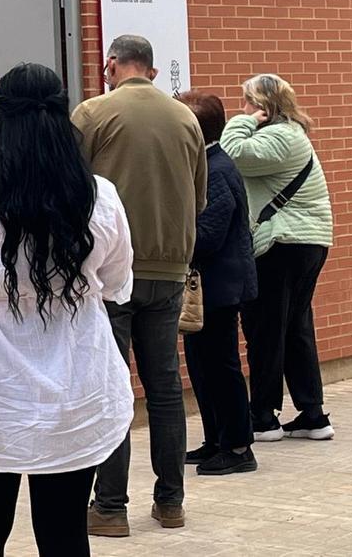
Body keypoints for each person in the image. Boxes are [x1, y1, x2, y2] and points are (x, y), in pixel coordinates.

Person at [0, 63, 134, 557]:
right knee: (64, 537)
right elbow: (118, 284)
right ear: (63, 115)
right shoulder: (99, 196)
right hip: (75, 386)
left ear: (0, 121)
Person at [71, 35, 206, 537]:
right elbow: (199, 197)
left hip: (109, 272)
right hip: (170, 267)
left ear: (111, 64)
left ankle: (110, 507)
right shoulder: (185, 117)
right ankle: (171, 503)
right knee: (166, 387)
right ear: (150, 69)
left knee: (114, 390)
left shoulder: (92, 113)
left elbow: (72, 189)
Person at [220, 73, 334, 443]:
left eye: (247, 102)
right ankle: (311, 413)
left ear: (264, 106)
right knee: (295, 327)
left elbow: (232, 153)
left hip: (282, 242)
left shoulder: (279, 136)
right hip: (305, 241)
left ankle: (264, 416)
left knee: (265, 329)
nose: (242, 108)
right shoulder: (292, 134)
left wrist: (243, 122)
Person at [177, 92, 258, 475]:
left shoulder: (217, 169)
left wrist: (172, 241)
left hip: (220, 286)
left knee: (221, 366)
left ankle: (239, 447)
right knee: (201, 365)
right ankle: (216, 439)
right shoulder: (204, 163)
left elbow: (209, 234)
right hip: (208, 285)